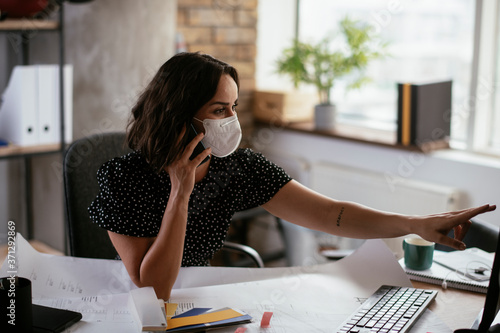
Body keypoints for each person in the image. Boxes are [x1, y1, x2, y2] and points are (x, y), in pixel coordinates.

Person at [88, 52, 496, 300]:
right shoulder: (124, 178)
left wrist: (415, 223)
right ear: (180, 114)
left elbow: (332, 214)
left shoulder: (237, 166)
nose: (232, 119)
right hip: (138, 308)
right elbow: (151, 289)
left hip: (197, 298)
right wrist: (181, 192)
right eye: (219, 109)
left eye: (234, 106)